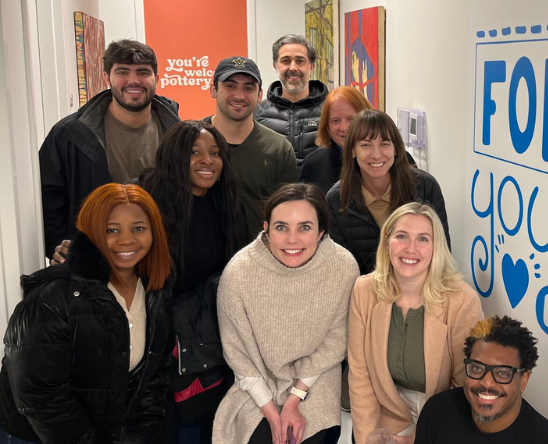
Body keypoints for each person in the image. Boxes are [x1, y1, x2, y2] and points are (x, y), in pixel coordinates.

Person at [0, 183, 173, 443]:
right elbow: (40, 395)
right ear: (91, 231)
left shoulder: (155, 289)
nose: (126, 240)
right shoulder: (52, 297)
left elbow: (154, 375)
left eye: (138, 228)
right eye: (111, 230)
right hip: (39, 435)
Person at [213, 184, 359, 444]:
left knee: (311, 436)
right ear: (266, 229)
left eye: (305, 227)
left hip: (316, 379)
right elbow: (238, 354)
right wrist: (272, 413)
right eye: (281, 227)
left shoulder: (343, 267)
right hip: (257, 384)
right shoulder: (238, 273)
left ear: (321, 232)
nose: (292, 239)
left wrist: (295, 398)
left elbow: (336, 341)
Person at [139, 120, 251, 444]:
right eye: (195, 152)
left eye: (215, 153)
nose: (207, 161)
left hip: (211, 345)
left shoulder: (228, 205)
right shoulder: (145, 203)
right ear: (175, 156)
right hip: (158, 346)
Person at [348, 203, 483, 444]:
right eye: (401, 236)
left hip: (442, 410)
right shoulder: (364, 290)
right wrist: (368, 439)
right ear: (387, 243)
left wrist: (418, 440)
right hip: (388, 408)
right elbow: (360, 375)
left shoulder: (462, 301)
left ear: (436, 248)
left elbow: (464, 386)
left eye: (423, 239)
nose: (410, 248)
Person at [39, 39, 180, 257]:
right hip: (94, 258)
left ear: (157, 78)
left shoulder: (177, 133)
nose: (133, 81)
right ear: (107, 78)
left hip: (160, 257)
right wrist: (60, 249)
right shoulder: (70, 134)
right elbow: (48, 198)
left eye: (143, 72)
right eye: (122, 72)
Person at [326, 109, 449, 275]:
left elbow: (441, 256)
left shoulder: (425, 187)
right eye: (366, 145)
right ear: (353, 150)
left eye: (384, 144)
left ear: (396, 149)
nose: (376, 155)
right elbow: (342, 269)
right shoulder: (336, 200)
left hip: (421, 286)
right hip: (365, 289)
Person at [413, 316, 548, 444]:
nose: (486, 382)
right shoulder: (437, 410)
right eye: (477, 368)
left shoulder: (545, 439)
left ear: (523, 380)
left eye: (502, 373)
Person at [204, 55, 298, 234]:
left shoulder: (278, 149)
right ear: (213, 89)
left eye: (248, 88)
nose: (239, 96)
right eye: (230, 86)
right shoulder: (190, 141)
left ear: (259, 95)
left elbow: (287, 214)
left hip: (259, 249)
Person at [255, 34, 329, 166]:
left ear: (311, 67)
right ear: (275, 66)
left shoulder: (330, 111)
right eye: (286, 61)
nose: (293, 67)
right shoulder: (257, 113)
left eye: (300, 61)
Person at [299, 86, 373, 195]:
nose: (344, 127)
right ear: (327, 125)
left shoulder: (386, 159)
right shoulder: (313, 165)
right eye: (335, 121)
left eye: (351, 119)